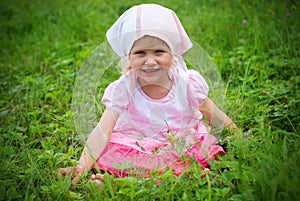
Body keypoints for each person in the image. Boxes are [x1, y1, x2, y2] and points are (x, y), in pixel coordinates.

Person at [57, 3, 239, 187]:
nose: (150, 61)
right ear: (129, 58)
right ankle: (126, 181)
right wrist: (81, 166)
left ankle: (172, 177)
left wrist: (241, 140)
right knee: (117, 152)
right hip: (137, 143)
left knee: (188, 154)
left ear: (172, 54)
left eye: (159, 52)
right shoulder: (124, 88)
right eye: (140, 53)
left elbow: (214, 115)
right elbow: (103, 130)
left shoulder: (186, 84)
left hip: (179, 142)